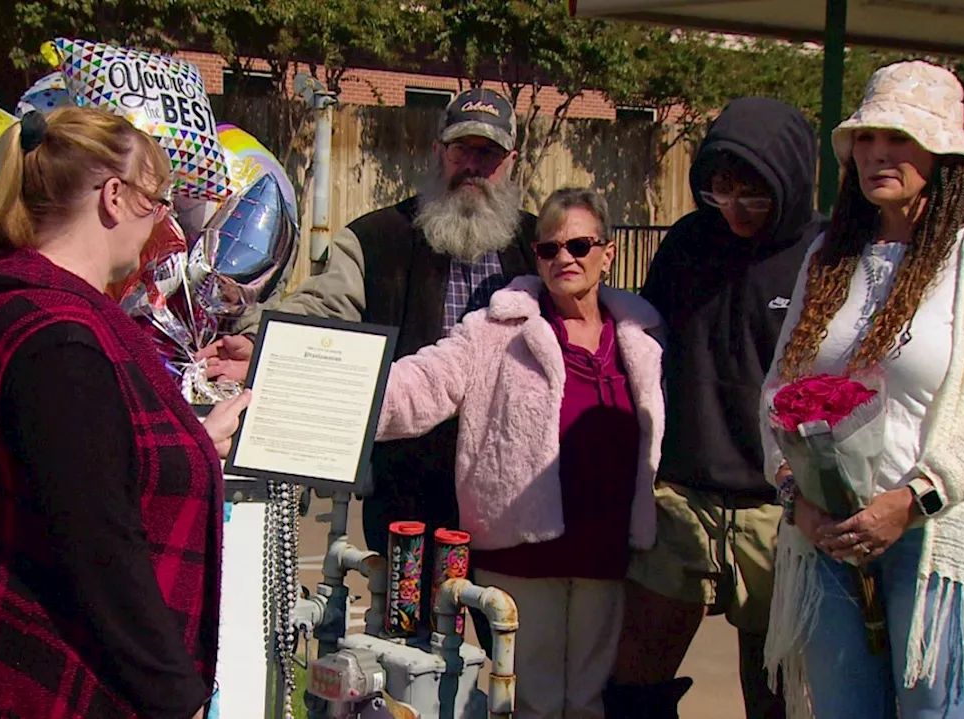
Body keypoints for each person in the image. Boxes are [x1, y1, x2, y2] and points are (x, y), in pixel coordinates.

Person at [0, 107, 248, 719]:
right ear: (113, 197)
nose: (166, 229)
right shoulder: (60, 342)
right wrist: (178, 698)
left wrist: (196, 443)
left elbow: (78, 474)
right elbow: (101, 550)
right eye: (158, 204)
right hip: (37, 690)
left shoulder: (16, 308)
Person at [761, 61, 964, 717]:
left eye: (899, 138)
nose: (877, 153)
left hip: (938, 543)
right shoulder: (827, 253)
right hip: (826, 538)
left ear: (943, 153)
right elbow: (777, 391)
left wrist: (915, 497)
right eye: (865, 138)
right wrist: (795, 498)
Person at [198, 87, 537, 557]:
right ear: (440, 152)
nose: (474, 165)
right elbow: (319, 308)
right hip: (407, 488)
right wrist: (260, 342)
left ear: (511, 161)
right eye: (463, 149)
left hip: (511, 492)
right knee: (402, 627)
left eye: (490, 154)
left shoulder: (543, 247)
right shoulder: (375, 238)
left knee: (505, 623)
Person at [372, 187, 663, 719]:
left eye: (578, 244)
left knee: (589, 704)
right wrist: (336, 392)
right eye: (549, 249)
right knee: (534, 701)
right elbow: (423, 383)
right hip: (523, 553)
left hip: (607, 549)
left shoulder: (641, 338)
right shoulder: (494, 331)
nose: (564, 259)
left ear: (608, 253)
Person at [609, 97, 823, 719]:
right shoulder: (687, 242)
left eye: (753, 196)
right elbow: (644, 345)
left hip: (778, 511)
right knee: (633, 687)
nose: (733, 211)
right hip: (683, 499)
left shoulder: (823, 256)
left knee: (776, 696)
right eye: (719, 192)